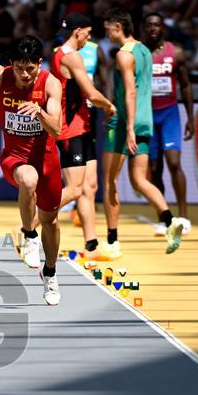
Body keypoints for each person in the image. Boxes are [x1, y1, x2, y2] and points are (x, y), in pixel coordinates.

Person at [0, 35, 65, 306]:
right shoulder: (1, 77)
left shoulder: (50, 84)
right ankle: (29, 236)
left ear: (39, 63)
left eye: (30, 68)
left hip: (47, 161)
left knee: (52, 222)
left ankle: (51, 273)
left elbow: (56, 129)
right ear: (11, 64)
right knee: (28, 179)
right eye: (19, 67)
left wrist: (39, 112)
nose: (24, 74)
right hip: (15, 157)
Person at [101, 9, 183, 257]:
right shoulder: (145, 51)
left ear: (118, 27)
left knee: (109, 180)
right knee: (140, 180)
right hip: (145, 120)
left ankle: (112, 240)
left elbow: (130, 92)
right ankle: (170, 220)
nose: (107, 33)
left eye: (108, 29)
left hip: (126, 122)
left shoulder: (124, 55)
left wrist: (128, 128)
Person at [48, 13, 117, 261]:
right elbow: (91, 92)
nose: (89, 37)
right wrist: (110, 106)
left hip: (83, 126)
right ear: (77, 32)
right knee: (75, 189)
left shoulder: (58, 54)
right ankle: (27, 227)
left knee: (90, 187)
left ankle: (91, 246)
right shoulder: (71, 56)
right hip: (70, 130)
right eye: (87, 33)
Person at [143, 12, 195, 235]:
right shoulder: (139, 54)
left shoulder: (177, 53)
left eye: (157, 24)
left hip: (170, 113)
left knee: (174, 163)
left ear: (163, 28)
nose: (154, 28)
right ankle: (164, 219)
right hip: (148, 116)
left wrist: (191, 117)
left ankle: (183, 217)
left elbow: (185, 86)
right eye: (149, 25)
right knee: (154, 170)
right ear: (144, 29)